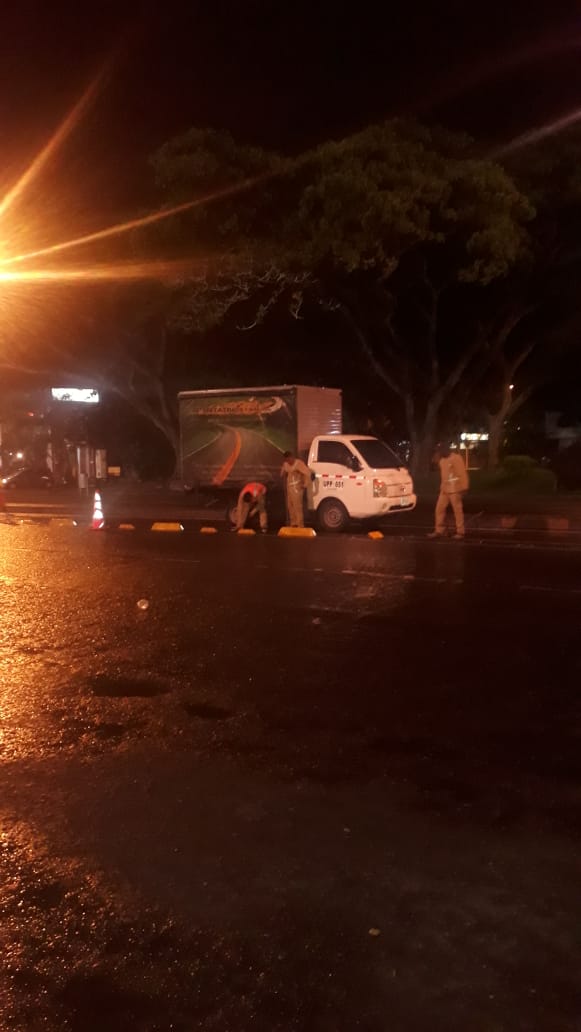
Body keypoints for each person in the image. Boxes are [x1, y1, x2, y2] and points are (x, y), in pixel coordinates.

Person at [429, 444, 469, 539]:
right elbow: (436, 465)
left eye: (440, 451)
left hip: (455, 489)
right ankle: (439, 530)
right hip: (445, 489)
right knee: (439, 509)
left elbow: (462, 473)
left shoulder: (456, 458)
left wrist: (464, 487)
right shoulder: (442, 460)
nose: (439, 453)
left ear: (446, 449)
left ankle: (460, 531)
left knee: (457, 511)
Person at [280, 450, 311, 528]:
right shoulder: (286, 464)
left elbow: (307, 473)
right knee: (290, 506)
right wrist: (283, 470)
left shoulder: (299, 464)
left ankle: (300, 524)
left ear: (292, 457)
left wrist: (305, 484)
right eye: (286, 460)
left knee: (297, 506)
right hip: (289, 488)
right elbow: (282, 474)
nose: (288, 461)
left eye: (289, 459)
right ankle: (293, 523)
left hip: (297, 488)